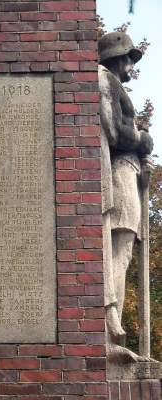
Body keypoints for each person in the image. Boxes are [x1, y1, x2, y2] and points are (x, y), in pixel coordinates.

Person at [98, 32, 154, 362]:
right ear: (118, 58)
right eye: (129, 58)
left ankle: (112, 326)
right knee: (119, 253)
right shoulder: (104, 79)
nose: (131, 65)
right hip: (121, 171)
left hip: (128, 172)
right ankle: (110, 327)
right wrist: (143, 139)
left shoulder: (111, 82)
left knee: (123, 253)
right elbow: (116, 130)